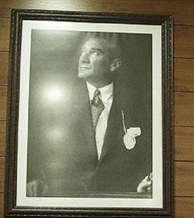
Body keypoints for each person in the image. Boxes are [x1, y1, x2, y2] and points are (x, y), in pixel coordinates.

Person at [26, 32, 153, 197]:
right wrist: (33, 179)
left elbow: (148, 157)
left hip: (121, 202)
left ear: (114, 64)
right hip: (66, 200)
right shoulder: (58, 105)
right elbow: (38, 148)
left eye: (95, 52)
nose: (83, 59)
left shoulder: (138, 106)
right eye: (82, 52)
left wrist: (148, 182)